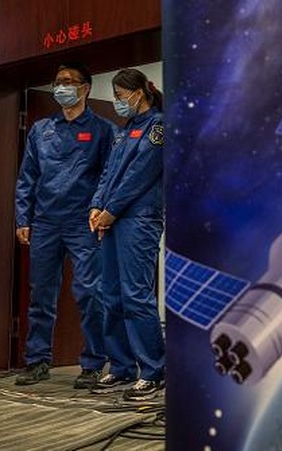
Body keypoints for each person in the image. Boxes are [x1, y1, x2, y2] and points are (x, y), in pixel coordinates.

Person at [14, 62, 114, 388]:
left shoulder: (102, 130)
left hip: (83, 222)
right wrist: (22, 218)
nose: (62, 87)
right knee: (41, 293)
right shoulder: (41, 129)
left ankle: (93, 363)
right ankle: (38, 361)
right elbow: (27, 177)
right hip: (44, 222)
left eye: (69, 82)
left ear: (85, 88)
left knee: (89, 293)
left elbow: (109, 176)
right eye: (58, 82)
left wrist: (102, 210)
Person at [89, 68, 166, 401]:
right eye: (117, 97)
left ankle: (153, 370)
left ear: (140, 93)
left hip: (139, 219)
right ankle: (120, 366)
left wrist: (111, 210)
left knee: (136, 294)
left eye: (121, 96)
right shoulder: (124, 132)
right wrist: (96, 206)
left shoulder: (159, 127)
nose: (119, 102)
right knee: (111, 295)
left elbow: (140, 175)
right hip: (110, 220)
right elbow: (108, 174)